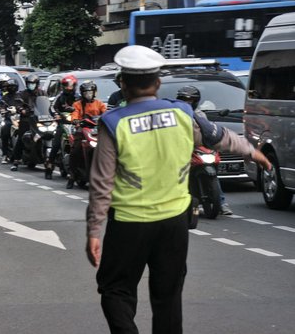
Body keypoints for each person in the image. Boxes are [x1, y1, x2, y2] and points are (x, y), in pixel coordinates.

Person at [85, 45, 271, 334]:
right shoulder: (183, 113)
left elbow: (101, 184)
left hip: (129, 224)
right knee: (168, 296)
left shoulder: (113, 123)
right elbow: (220, 138)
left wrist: (94, 232)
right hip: (174, 222)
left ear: (122, 84)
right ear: (157, 83)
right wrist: (253, 153)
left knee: (115, 290)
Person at [176, 85, 233, 215]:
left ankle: (222, 202)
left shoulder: (200, 115)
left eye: (190, 100)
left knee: (212, 171)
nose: (187, 103)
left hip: (197, 148)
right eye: (184, 100)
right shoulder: (174, 115)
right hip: (181, 149)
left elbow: (209, 132)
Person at [67, 80, 107, 188]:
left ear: (94, 93)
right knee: (75, 151)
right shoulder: (77, 104)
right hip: (81, 131)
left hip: (97, 131)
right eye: (86, 93)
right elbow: (74, 114)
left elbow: (106, 113)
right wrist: (75, 120)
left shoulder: (99, 103)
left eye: (90, 92)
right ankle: (71, 176)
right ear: (82, 94)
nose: (88, 95)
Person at [11, 73, 46, 171]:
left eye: (33, 83)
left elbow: (47, 104)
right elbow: (18, 103)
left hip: (41, 119)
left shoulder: (42, 93)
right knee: (22, 138)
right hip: (27, 119)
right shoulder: (22, 94)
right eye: (29, 83)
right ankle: (16, 161)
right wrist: (22, 109)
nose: (31, 85)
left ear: (37, 84)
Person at [46, 74, 78, 180]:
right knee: (55, 144)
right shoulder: (60, 97)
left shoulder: (78, 97)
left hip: (76, 124)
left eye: (71, 85)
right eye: (66, 85)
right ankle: (50, 166)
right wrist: (56, 115)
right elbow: (52, 107)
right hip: (63, 123)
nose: (69, 87)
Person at [0, 79, 20, 164]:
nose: (12, 88)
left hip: (19, 118)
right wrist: (3, 109)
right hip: (9, 119)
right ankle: (5, 154)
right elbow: (1, 105)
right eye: (10, 87)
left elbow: (25, 104)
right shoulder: (5, 97)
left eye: (13, 87)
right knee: (5, 130)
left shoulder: (20, 96)